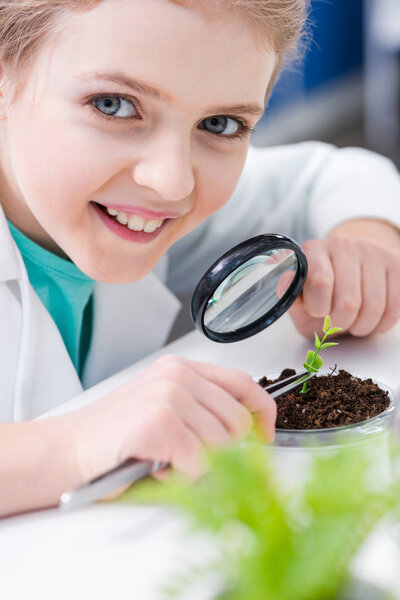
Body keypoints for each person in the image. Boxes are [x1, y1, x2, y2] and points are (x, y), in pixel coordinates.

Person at [1, 0, 400, 517]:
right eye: (114, 105)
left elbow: (330, 175)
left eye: (219, 123)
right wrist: (68, 447)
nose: (173, 182)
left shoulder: (131, 205)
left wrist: (368, 250)